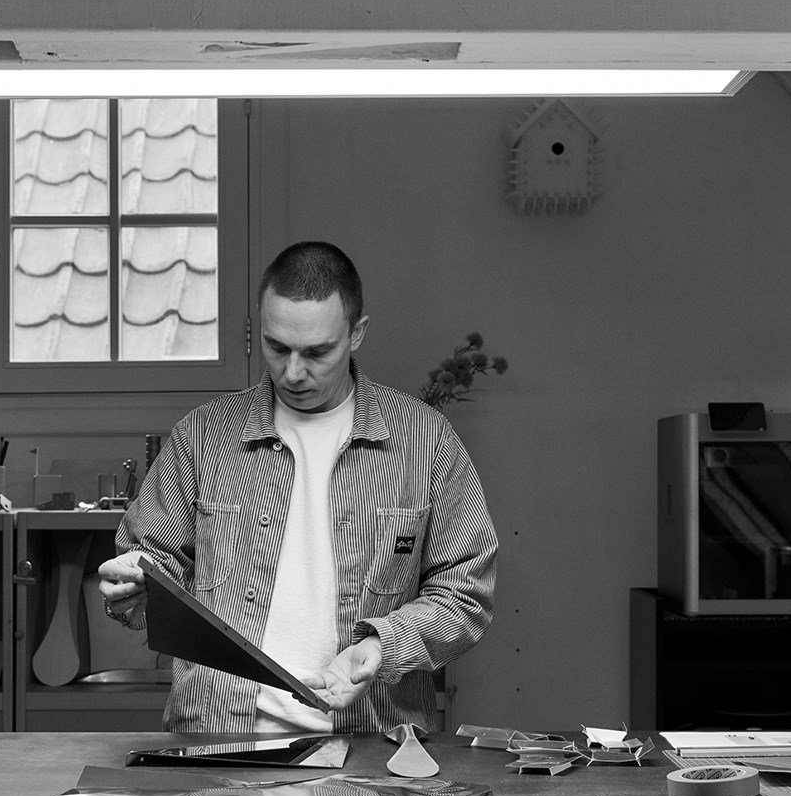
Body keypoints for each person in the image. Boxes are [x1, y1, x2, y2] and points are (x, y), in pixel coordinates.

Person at [99, 241, 497, 734]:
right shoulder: (201, 437)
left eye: (317, 352)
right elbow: (152, 564)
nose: (292, 372)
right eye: (277, 347)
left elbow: (466, 594)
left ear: (356, 334)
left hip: (373, 744)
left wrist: (383, 645)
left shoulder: (425, 441)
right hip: (216, 740)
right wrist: (136, 584)